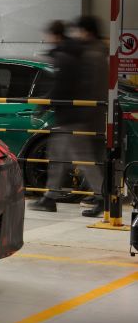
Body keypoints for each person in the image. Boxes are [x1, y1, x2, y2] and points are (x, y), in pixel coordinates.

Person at [29, 19, 104, 213]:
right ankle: (50, 197)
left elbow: (60, 88)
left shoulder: (65, 57)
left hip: (70, 117)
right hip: (73, 116)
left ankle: (100, 196)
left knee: (76, 158)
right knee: (61, 157)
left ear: (54, 35)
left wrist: (42, 106)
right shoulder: (74, 54)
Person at [71, 15, 108, 217]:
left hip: (88, 117)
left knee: (85, 158)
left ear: (87, 31)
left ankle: (101, 198)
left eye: (79, 31)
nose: (78, 35)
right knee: (95, 159)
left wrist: (80, 116)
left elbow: (87, 88)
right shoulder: (100, 52)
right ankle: (100, 194)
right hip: (97, 116)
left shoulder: (91, 55)